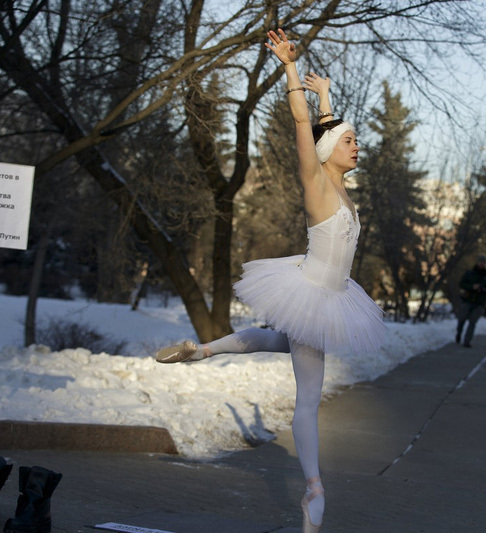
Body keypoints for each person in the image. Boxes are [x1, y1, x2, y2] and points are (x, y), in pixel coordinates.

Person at [154, 29, 386, 533]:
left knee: (279, 341)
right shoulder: (316, 181)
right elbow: (305, 126)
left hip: (332, 293)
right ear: (327, 151)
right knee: (308, 395)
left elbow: (325, 125)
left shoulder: (343, 191)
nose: (357, 145)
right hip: (314, 293)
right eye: (350, 141)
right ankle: (313, 490)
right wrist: (289, 69)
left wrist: (326, 96)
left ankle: (203, 351)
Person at [455, 255, 486, 348]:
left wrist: (483, 289)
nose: (481, 264)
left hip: (479, 303)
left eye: (483, 262)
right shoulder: (470, 273)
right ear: (477, 262)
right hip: (467, 300)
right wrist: (472, 286)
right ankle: (459, 333)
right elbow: (462, 284)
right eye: (480, 262)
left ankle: (467, 341)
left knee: (472, 322)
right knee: (462, 319)